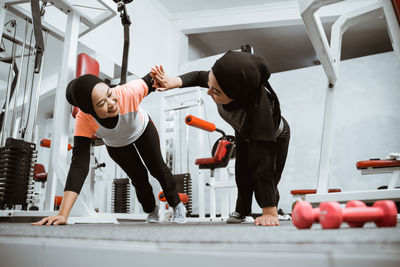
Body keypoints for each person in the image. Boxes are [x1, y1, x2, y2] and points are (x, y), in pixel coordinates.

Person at [151, 51, 290, 226]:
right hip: (244, 133)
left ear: (238, 96)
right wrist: (174, 82)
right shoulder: (222, 81)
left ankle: (271, 209)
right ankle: (242, 210)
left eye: (215, 91)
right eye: (210, 84)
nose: (209, 92)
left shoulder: (260, 115)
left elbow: (264, 165)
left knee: (259, 174)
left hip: (274, 137)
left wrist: (269, 211)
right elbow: (198, 76)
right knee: (242, 173)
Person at [32, 73, 186, 225]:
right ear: (89, 110)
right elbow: (79, 164)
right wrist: (63, 214)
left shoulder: (128, 92)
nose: (111, 103)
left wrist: (160, 76)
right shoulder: (84, 120)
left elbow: (150, 80)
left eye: (109, 94)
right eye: (101, 104)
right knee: (139, 178)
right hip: (116, 144)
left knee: (158, 168)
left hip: (142, 129)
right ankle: (152, 209)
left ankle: (177, 205)